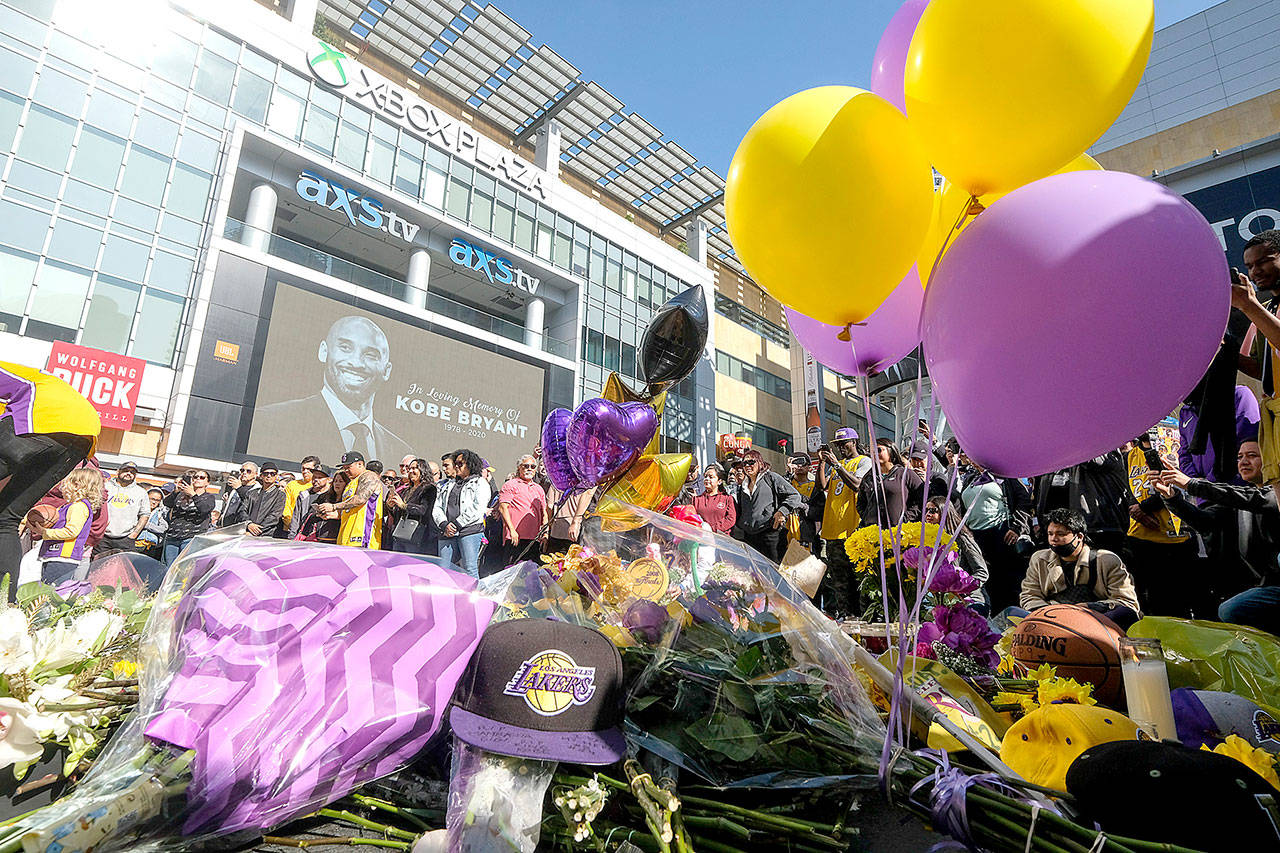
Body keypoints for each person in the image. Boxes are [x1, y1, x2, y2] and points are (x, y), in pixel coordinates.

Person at [1156, 442, 1280, 634]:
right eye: (1239, 457)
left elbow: (1252, 498)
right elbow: (1203, 520)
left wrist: (1190, 484)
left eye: (1252, 456)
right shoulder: (1239, 500)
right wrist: (1171, 497)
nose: (1244, 462)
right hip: (1257, 586)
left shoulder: (1273, 494)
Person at [252, 316, 412, 463]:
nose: (356, 363)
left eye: (371, 355)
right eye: (345, 348)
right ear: (324, 351)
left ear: (386, 371)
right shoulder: (271, 422)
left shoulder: (401, 452)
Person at [0, 361, 100, 596]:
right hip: (84, 437)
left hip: (47, 416)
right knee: (6, 518)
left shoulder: (16, 374)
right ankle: (5, 605)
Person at [1019, 508, 1142, 630]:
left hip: (1097, 622)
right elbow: (1029, 596)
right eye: (1050, 534)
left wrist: (1088, 607)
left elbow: (1128, 603)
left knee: (1126, 614)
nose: (1053, 539)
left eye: (1060, 534)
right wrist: (1055, 614)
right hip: (1054, 621)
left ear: (1079, 536)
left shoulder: (1106, 560)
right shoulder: (1039, 559)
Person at [1123, 433, 1197, 618]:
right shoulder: (1132, 453)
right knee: (1149, 604)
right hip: (1141, 535)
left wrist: (1145, 507)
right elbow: (1131, 486)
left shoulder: (1169, 442)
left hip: (1175, 538)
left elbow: (1178, 486)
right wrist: (1135, 509)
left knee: (1176, 605)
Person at [959, 455, 1035, 612]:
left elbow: (1023, 500)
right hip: (977, 537)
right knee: (989, 582)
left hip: (1001, 533)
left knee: (1009, 581)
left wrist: (1017, 528)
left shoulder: (1004, 476)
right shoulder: (970, 478)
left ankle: (1016, 619)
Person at [816, 428, 873, 617]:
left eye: (844, 443)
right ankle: (845, 617)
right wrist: (823, 463)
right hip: (833, 530)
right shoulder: (836, 464)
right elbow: (822, 486)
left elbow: (857, 484)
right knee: (839, 581)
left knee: (859, 580)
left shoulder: (864, 461)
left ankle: (864, 621)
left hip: (853, 529)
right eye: (838, 445)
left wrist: (837, 466)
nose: (841, 448)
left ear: (854, 442)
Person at [1032, 451, 1131, 558]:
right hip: (1058, 534)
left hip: (1096, 530)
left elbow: (1090, 458)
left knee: (1098, 571)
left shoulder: (1106, 450)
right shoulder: (1051, 457)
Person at [28, 467, 102, 586]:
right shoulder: (68, 506)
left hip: (63, 556)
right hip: (55, 555)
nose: (62, 487)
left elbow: (72, 531)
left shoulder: (79, 507)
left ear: (77, 485)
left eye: (65, 484)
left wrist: (45, 532)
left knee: (52, 593)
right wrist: (34, 526)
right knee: (47, 591)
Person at [733, 449, 803, 563]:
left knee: (773, 570)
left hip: (770, 534)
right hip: (749, 537)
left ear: (760, 463)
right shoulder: (743, 485)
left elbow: (794, 495)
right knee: (754, 572)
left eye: (751, 462)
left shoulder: (771, 477)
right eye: (744, 463)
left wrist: (781, 512)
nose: (747, 465)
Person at [924, 496, 990, 614]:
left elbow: (982, 573)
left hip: (969, 598)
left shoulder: (962, 539)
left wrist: (961, 588)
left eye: (933, 511)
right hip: (937, 600)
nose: (928, 514)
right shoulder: (927, 541)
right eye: (926, 510)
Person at [433, 449, 491, 577]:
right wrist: (444, 524)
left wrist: (457, 524)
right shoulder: (447, 484)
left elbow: (478, 508)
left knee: (469, 567)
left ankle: (473, 596)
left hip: (469, 531)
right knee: (444, 568)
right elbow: (437, 507)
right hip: (446, 532)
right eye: (456, 463)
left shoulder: (480, 483)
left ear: (470, 464)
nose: (457, 466)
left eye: (461, 464)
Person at [318, 451, 384, 549]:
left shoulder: (369, 476)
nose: (346, 471)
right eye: (344, 468)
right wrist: (333, 514)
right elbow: (349, 509)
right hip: (345, 536)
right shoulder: (351, 483)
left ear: (360, 464)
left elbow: (360, 499)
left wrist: (333, 506)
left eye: (349, 467)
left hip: (362, 536)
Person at [858, 438, 925, 529]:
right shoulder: (868, 477)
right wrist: (867, 518)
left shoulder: (906, 474)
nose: (875, 454)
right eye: (872, 451)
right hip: (873, 533)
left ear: (891, 451)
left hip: (899, 533)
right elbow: (861, 503)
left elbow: (922, 499)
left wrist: (905, 519)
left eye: (878, 450)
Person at [496, 454, 549, 568]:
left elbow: (544, 512)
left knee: (531, 574)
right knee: (510, 571)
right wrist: (512, 530)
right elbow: (502, 507)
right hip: (515, 538)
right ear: (519, 467)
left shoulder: (539, 489)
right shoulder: (510, 484)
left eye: (533, 466)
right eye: (526, 466)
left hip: (534, 539)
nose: (529, 468)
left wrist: (545, 533)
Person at [162, 470, 214, 566]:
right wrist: (176, 491)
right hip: (173, 537)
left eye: (202, 477)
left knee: (185, 569)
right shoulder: (180, 495)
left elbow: (204, 508)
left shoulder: (208, 497)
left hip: (191, 538)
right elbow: (167, 503)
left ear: (207, 483)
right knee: (170, 568)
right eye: (195, 477)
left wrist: (193, 495)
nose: (198, 479)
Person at [388, 458, 437, 555]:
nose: (410, 471)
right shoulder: (407, 490)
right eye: (409, 469)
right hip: (400, 534)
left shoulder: (429, 488)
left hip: (416, 535)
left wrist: (404, 505)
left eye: (414, 468)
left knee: (412, 565)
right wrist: (391, 506)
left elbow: (424, 510)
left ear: (423, 470)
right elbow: (400, 511)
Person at [99, 462, 150, 555]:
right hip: (103, 537)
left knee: (123, 568)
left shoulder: (141, 492)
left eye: (132, 472)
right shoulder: (105, 487)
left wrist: (134, 534)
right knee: (97, 566)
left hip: (126, 538)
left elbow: (145, 514)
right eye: (125, 470)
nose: (129, 473)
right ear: (118, 471)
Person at [545, 486, 595, 554]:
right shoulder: (583, 484)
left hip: (556, 530)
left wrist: (548, 526)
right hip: (574, 531)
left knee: (555, 561)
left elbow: (549, 506)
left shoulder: (555, 482)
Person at [280, 456, 321, 538]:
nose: (305, 471)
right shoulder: (292, 485)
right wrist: (291, 525)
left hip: (309, 532)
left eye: (309, 469)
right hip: (288, 529)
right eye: (303, 469)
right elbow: (286, 507)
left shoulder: (319, 486)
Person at [787, 454, 822, 551]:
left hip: (806, 534)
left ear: (809, 467)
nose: (799, 466)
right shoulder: (786, 483)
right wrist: (789, 473)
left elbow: (819, 512)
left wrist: (804, 507)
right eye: (796, 463)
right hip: (786, 533)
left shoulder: (816, 487)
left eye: (803, 464)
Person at [289, 465, 332, 539]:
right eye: (314, 477)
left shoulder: (332, 495)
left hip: (323, 538)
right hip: (303, 537)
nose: (316, 480)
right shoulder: (304, 495)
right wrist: (292, 536)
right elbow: (296, 518)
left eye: (320, 478)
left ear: (328, 479)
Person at [245, 463, 286, 537]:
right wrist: (248, 524)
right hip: (247, 532)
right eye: (265, 473)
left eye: (272, 474)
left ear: (276, 476)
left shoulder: (280, 495)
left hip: (267, 535)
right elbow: (242, 511)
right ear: (261, 476)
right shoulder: (251, 493)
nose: (269, 476)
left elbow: (274, 516)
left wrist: (256, 531)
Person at [694, 463, 737, 534]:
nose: (707, 479)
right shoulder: (696, 500)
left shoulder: (727, 499)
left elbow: (731, 519)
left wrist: (712, 529)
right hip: (702, 537)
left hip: (721, 539)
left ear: (719, 481)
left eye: (711, 477)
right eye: (705, 476)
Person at [219, 462, 260, 527]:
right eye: (242, 470)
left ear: (255, 474)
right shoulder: (236, 486)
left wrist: (239, 488)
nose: (244, 473)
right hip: (226, 525)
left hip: (241, 527)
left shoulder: (258, 489)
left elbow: (251, 502)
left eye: (248, 471)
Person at [134, 488, 168, 560]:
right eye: (152, 499)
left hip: (151, 546)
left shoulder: (160, 513)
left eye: (157, 500)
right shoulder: (137, 510)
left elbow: (163, 529)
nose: (154, 502)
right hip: (136, 543)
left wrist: (144, 524)